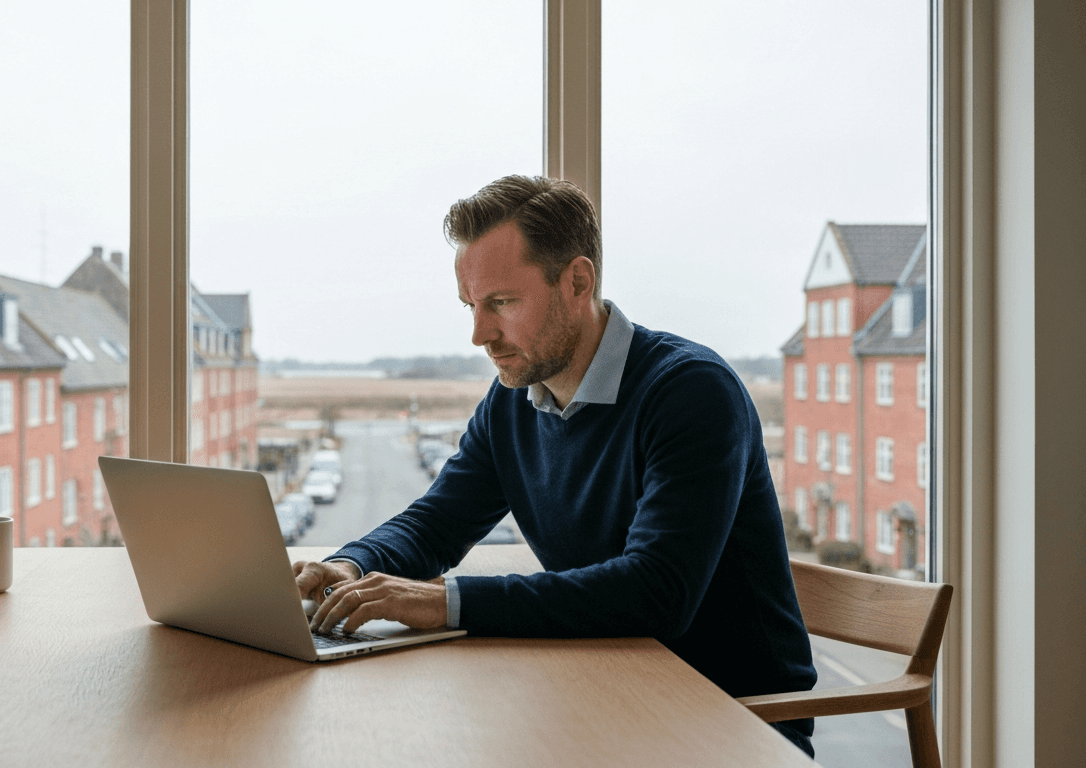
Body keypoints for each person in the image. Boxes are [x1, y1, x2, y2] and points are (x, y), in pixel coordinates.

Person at [292, 175, 817, 756]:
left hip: (731, 723)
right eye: (471, 306)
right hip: (603, 694)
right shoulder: (513, 400)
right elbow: (436, 523)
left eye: (502, 303)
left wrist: (443, 602)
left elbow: (657, 593)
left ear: (577, 281)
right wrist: (351, 565)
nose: (479, 335)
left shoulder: (691, 393)